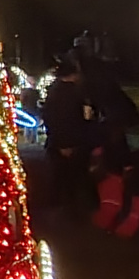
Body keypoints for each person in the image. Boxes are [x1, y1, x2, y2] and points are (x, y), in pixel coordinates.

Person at [41, 61, 93, 222]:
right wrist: (67, 143)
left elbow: (49, 118)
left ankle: (55, 208)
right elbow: (74, 120)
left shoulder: (53, 92)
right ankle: (72, 213)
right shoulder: (75, 94)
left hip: (56, 140)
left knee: (59, 177)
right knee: (73, 179)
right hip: (71, 141)